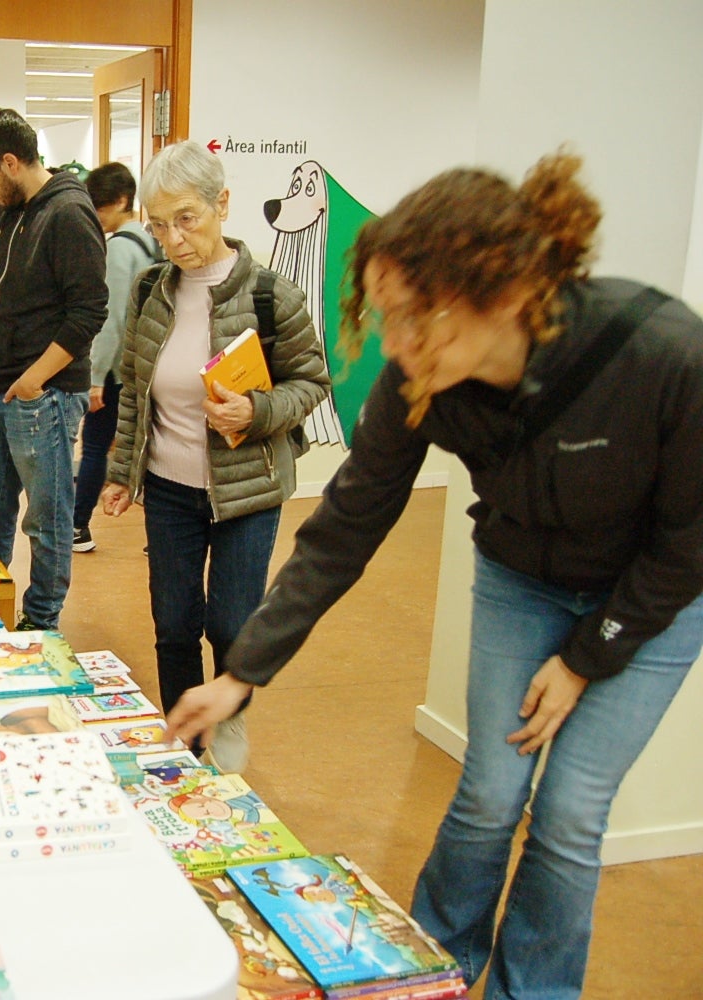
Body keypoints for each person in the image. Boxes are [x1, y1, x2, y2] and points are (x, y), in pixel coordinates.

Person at [165, 151, 703, 1000]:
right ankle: (430, 970)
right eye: (386, 319)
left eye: (419, 317)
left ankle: (531, 991)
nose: (399, 345)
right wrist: (240, 673)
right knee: (490, 792)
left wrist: (587, 658)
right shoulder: (423, 383)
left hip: (655, 599)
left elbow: (689, 541)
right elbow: (344, 528)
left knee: (566, 816)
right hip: (522, 577)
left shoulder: (662, 355)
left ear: (509, 292)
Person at [99, 141, 328, 773]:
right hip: (169, 489)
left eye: (187, 219)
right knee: (173, 623)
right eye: (159, 224)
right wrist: (122, 474)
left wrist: (257, 413)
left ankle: (227, 711)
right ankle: (187, 738)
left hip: (246, 490)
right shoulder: (150, 290)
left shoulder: (269, 296)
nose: (173, 238)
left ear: (221, 205)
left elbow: (311, 383)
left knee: (230, 624)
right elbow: (133, 388)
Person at [0, 107, 107, 631]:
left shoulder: (67, 213)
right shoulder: (5, 210)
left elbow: (89, 311)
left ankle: (40, 624)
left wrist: (36, 377)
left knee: (47, 521)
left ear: (12, 162)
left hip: (41, 395)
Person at [73, 162, 161, 554]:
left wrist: (95, 376)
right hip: (146, 366)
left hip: (115, 371)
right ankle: (161, 534)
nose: (97, 216)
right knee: (151, 450)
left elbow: (110, 320)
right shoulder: (150, 244)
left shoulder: (118, 250)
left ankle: (77, 527)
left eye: (101, 207)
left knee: (94, 447)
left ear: (122, 202)